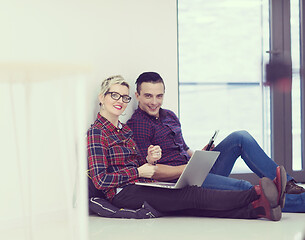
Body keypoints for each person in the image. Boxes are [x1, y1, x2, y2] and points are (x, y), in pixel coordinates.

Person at [87, 75, 287, 221]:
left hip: (142, 183)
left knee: (190, 205)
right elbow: (101, 180)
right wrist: (139, 170)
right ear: (102, 97)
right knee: (191, 195)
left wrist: (148, 160)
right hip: (124, 192)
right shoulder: (98, 132)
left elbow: (142, 164)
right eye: (114, 95)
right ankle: (260, 194)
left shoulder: (123, 130)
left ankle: (259, 209)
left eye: (123, 97)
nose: (120, 101)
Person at [126, 71, 305, 213]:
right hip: (181, 182)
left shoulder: (169, 115)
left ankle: (287, 185)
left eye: (159, 96)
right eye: (148, 96)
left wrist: (200, 156)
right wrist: (188, 169)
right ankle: (301, 203)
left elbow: (183, 148)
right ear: (137, 95)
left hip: (194, 170)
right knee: (244, 187)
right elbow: (150, 172)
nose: (154, 102)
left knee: (240, 137)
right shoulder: (138, 125)